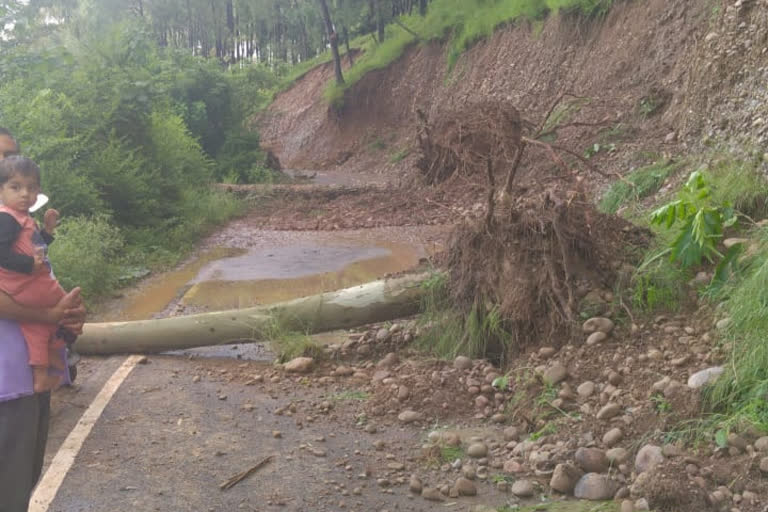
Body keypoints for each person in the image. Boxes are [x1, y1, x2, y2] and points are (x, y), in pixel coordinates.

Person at [0, 128, 86, 512]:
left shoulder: (20, 223)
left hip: (27, 376)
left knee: (23, 481)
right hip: (5, 382)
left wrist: (65, 316)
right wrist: (49, 314)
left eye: (9, 155)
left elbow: (35, 276)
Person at [0, 155, 70, 393]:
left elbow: (37, 248)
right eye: (15, 187)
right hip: (22, 285)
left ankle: (47, 365)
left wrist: (47, 231)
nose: (24, 194)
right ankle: (55, 356)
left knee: (39, 327)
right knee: (66, 307)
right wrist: (29, 265)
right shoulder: (6, 218)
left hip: (27, 285)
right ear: (1, 190)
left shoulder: (22, 217)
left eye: (31, 188)